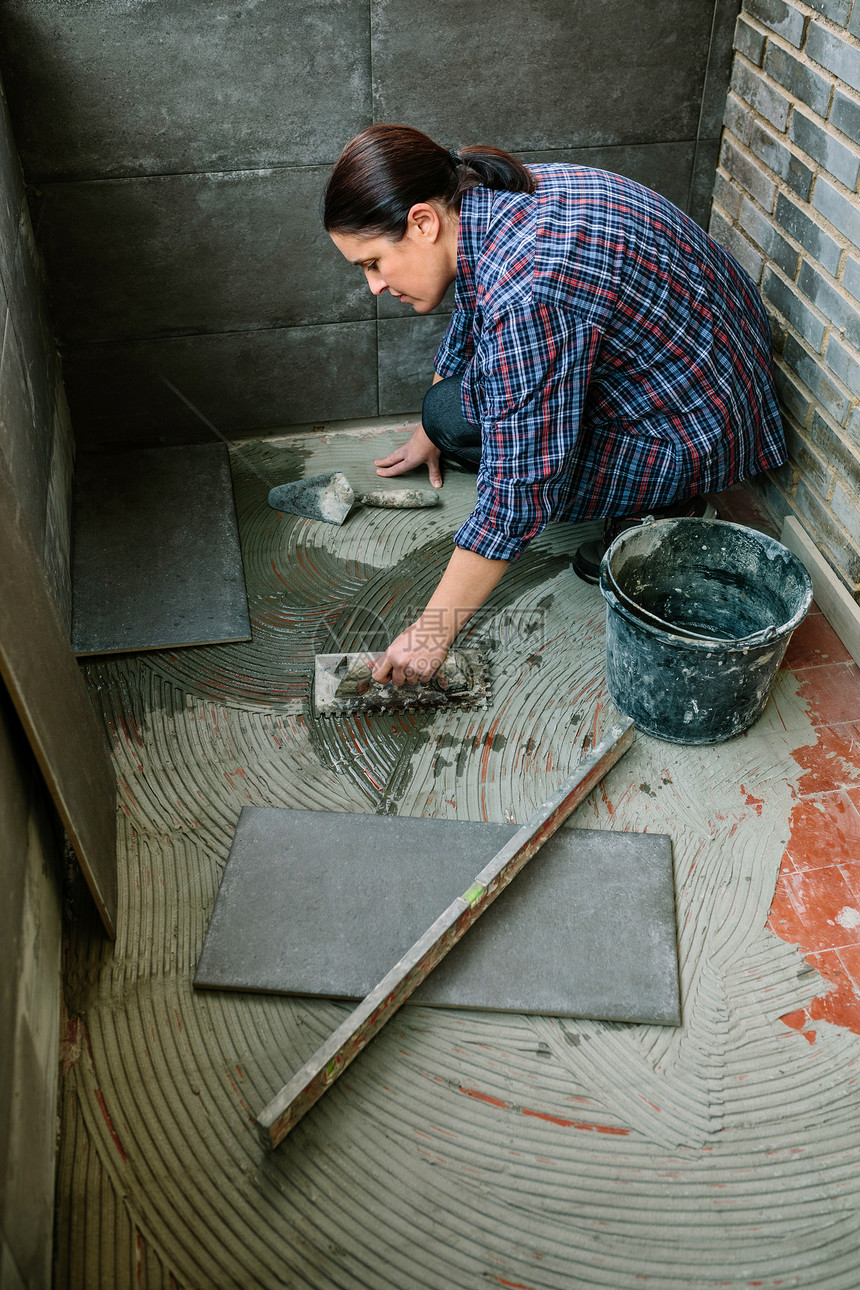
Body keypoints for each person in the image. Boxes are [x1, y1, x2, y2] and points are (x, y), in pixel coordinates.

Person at [324, 124, 786, 686]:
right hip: (701, 374)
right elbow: (474, 309)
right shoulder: (489, 196)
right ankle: (642, 483)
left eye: (372, 263)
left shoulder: (531, 287)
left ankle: (667, 508)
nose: (373, 286)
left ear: (422, 222)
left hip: (701, 429)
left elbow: (519, 489)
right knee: (451, 413)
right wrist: (433, 431)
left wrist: (431, 634)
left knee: (506, 459)